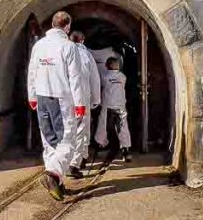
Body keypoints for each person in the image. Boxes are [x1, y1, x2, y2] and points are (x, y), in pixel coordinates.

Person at [26, 11, 87, 200]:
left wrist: (32, 96)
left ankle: (57, 184)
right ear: (67, 26)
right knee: (67, 141)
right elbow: (75, 77)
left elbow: (32, 71)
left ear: (52, 24)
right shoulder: (69, 47)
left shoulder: (39, 45)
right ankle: (52, 173)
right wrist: (80, 103)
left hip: (42, 97)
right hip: (62, 98)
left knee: (50, 141)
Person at [68, 31, 101, 179]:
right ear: (83, 40)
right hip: (82, 97)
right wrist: (96, 99)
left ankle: (78, 157)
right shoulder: (86, 55)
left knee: (67, 130)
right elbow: (94, 78)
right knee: (82, 128)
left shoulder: (63, 51)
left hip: (65, 98)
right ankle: (76, 162)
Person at [95, 55, 131, 163]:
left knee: (103, 126)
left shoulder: (105, 77)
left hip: (107, 105)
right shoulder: (122, 77)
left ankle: (100, 145)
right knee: (123, 127)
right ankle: (126, 150)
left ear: (107, 66)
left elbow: (100, 85)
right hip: (120, 106)